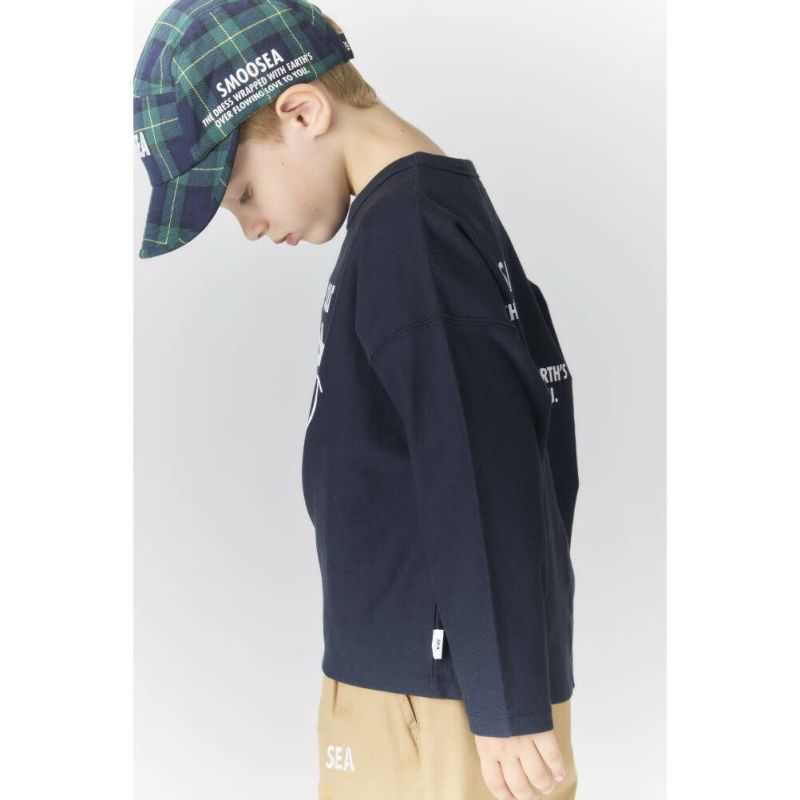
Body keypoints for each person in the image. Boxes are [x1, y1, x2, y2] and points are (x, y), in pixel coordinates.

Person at [133, 2, 580, 798]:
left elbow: (480, 463)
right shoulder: (412, 222)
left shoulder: (412, 234)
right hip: (422, 680)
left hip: (429, 699)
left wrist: (505, 699)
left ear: (303, 112)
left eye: (242, 193)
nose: (251, 226)